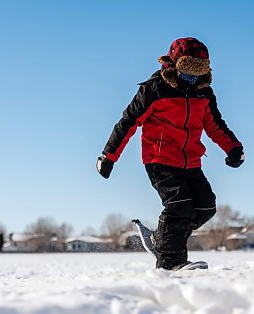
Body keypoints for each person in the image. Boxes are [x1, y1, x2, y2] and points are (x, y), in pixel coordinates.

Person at [97, 37, 244, 270]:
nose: (191, 79)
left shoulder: (204, 93)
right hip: (160, 159)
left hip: (191, 161)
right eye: (187, 72)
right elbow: (128, 123)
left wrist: (233, 148)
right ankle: (170, 263)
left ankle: (161, 238)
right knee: (180, 205)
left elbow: (215, 124)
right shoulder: (154, 89)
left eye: (197, 74)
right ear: (174, 66)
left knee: (206, 207)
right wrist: (109, 156)